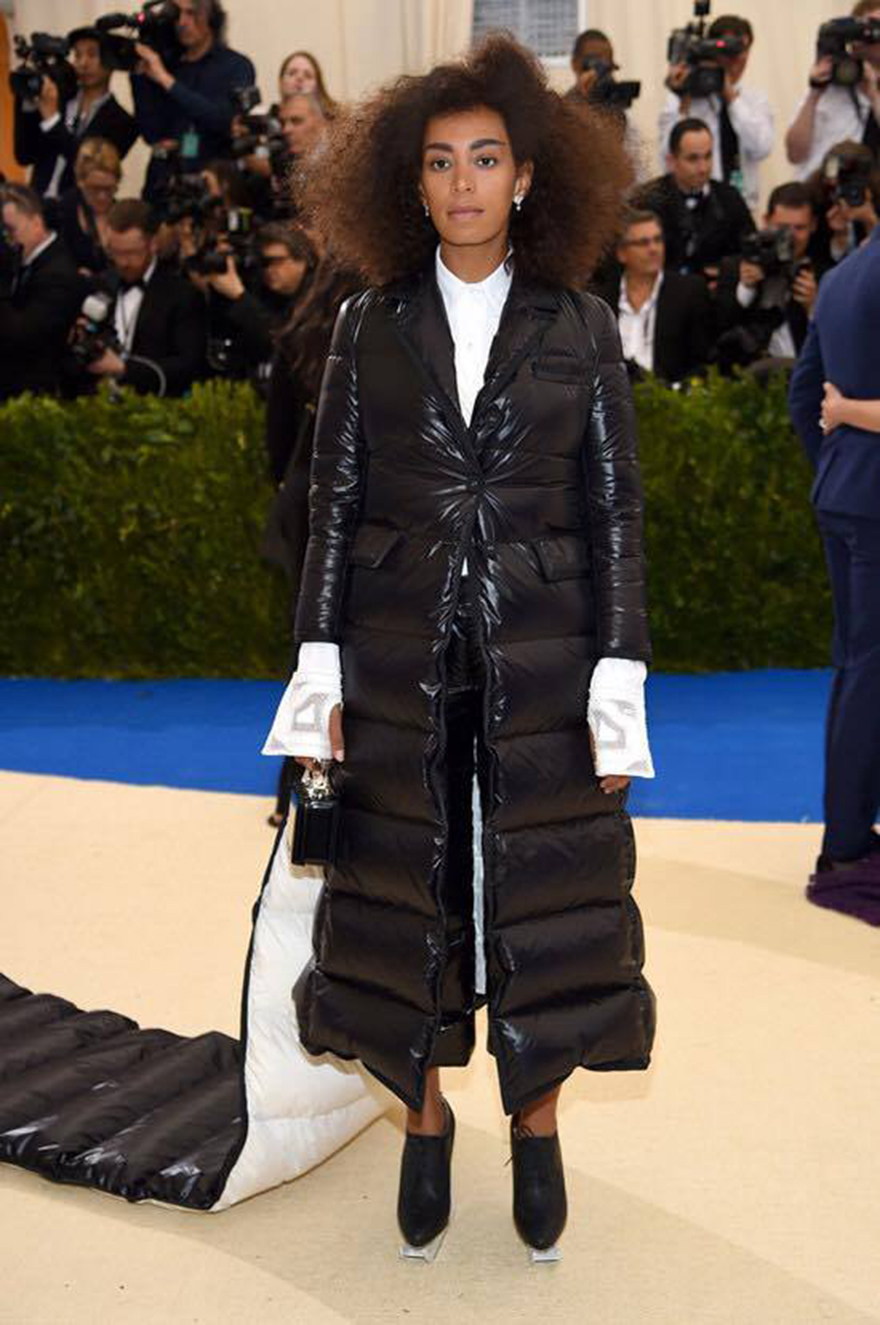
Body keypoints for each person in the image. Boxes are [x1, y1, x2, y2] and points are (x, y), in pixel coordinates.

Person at [262, 35, 656, 1258]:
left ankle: (536, 1121)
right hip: (396, 653)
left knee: (545, 892)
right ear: (411, 183)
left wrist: (619, 678)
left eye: (486, 158)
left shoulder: (581, 325)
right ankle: (424, 1117)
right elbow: (331, 507)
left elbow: (614, 512)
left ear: (527, 177)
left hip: (545, 653)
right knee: (403, 891)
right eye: (440, 162)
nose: (464, 181)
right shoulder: (367, 324)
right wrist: (317, 671)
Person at [789, 220, 880, 923]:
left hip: (845, 493)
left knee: (857, 665)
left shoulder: (844, 274)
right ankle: (846, 847)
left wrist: (839, 459)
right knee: (867, 668)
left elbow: (803, 396)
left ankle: (845, 840)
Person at [131, 0, 256, 203]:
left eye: (192, 13)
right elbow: (151, 132)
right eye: (177, 14)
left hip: (212, 184)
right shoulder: (167, 64)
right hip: (163, 181)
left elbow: (223, 120)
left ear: (211, 18)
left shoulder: (235, 66)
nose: (182, 22)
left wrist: (166, 80)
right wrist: (139, 74)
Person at [81, 199, 207, 397]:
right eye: (115, 252)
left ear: (153, 244)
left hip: (156, 405)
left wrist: (126, 369)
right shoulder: (99, 285)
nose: (123, 262)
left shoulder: (182, 295)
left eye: (132, 253)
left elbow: (188, 365)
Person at [659, 14, 773, 210]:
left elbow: (761, 147)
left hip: (742, 206)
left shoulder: (755, 99)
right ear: (711, 50)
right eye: (729, 51)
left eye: (743, 50)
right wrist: (684, 101)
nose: (737, 58)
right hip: (695, 207)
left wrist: (730, 96)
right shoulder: (682, 99)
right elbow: (667, 157)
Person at [13, 25, 138, 201]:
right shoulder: (59, 100)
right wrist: (28, 98)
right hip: (36, 204)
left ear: (111, 61)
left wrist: (52, 121)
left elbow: (89, 166)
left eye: (92, 55)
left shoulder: (122, 122)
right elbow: (24, 155)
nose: (83, 63)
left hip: (78, 211)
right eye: (77, 55)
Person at [592, 207, 713, 383]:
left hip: (667, 395)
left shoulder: (689, 292)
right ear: (622, 253)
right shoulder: (600, 299)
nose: (654, 249)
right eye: (643, 243)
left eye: (658, 240)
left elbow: (703, 363)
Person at [714, 182, 822, 370]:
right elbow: (719, 329)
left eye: (799, 228)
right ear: (766, 220)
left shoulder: (824, 274)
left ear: (813, 225)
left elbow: (835, 340)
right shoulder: (734, 267)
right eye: (782, 227)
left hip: (804, 373)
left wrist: (814, 306)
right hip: (747, 375)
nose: (790, 237)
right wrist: (746, 288)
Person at [636, 118, 754, 286]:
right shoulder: (647, 199)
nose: (703, 168)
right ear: (671, 161)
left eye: (708, 156)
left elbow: (749, 252)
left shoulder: (730, 198)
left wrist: (726, 275)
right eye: (693, 159)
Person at [202, 222, 317, 384]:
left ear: (302, 260)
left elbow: (282, 343)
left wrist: (240, 296)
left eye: (275, 261)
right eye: (263, 263)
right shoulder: (261, 289)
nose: (268, 270)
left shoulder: (317, 297)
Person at [0, 184, 81, 401]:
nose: (8, 240)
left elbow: (23, 335)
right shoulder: (22, 261)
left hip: (35, 393)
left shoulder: (58, 273)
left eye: (11, 230)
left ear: (36, 222)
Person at [785, 0, 880, 180]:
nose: (874, 34)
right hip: (819, 188)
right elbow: (794, 154)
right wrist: (814, 94)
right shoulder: (829, 85)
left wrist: (874, 96)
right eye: (869, 27)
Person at [51, 137, 121, 276]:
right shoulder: (60, 212)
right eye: (94, 188)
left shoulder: (123, 214)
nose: (102, 196)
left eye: (109, 189)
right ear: (80, 181)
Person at [278, 50, 337, 118]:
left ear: (318, 87)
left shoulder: (335, 118)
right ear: (281, 82)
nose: (299, 78)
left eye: (308, 75)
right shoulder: (271, 120)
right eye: (292, 73)